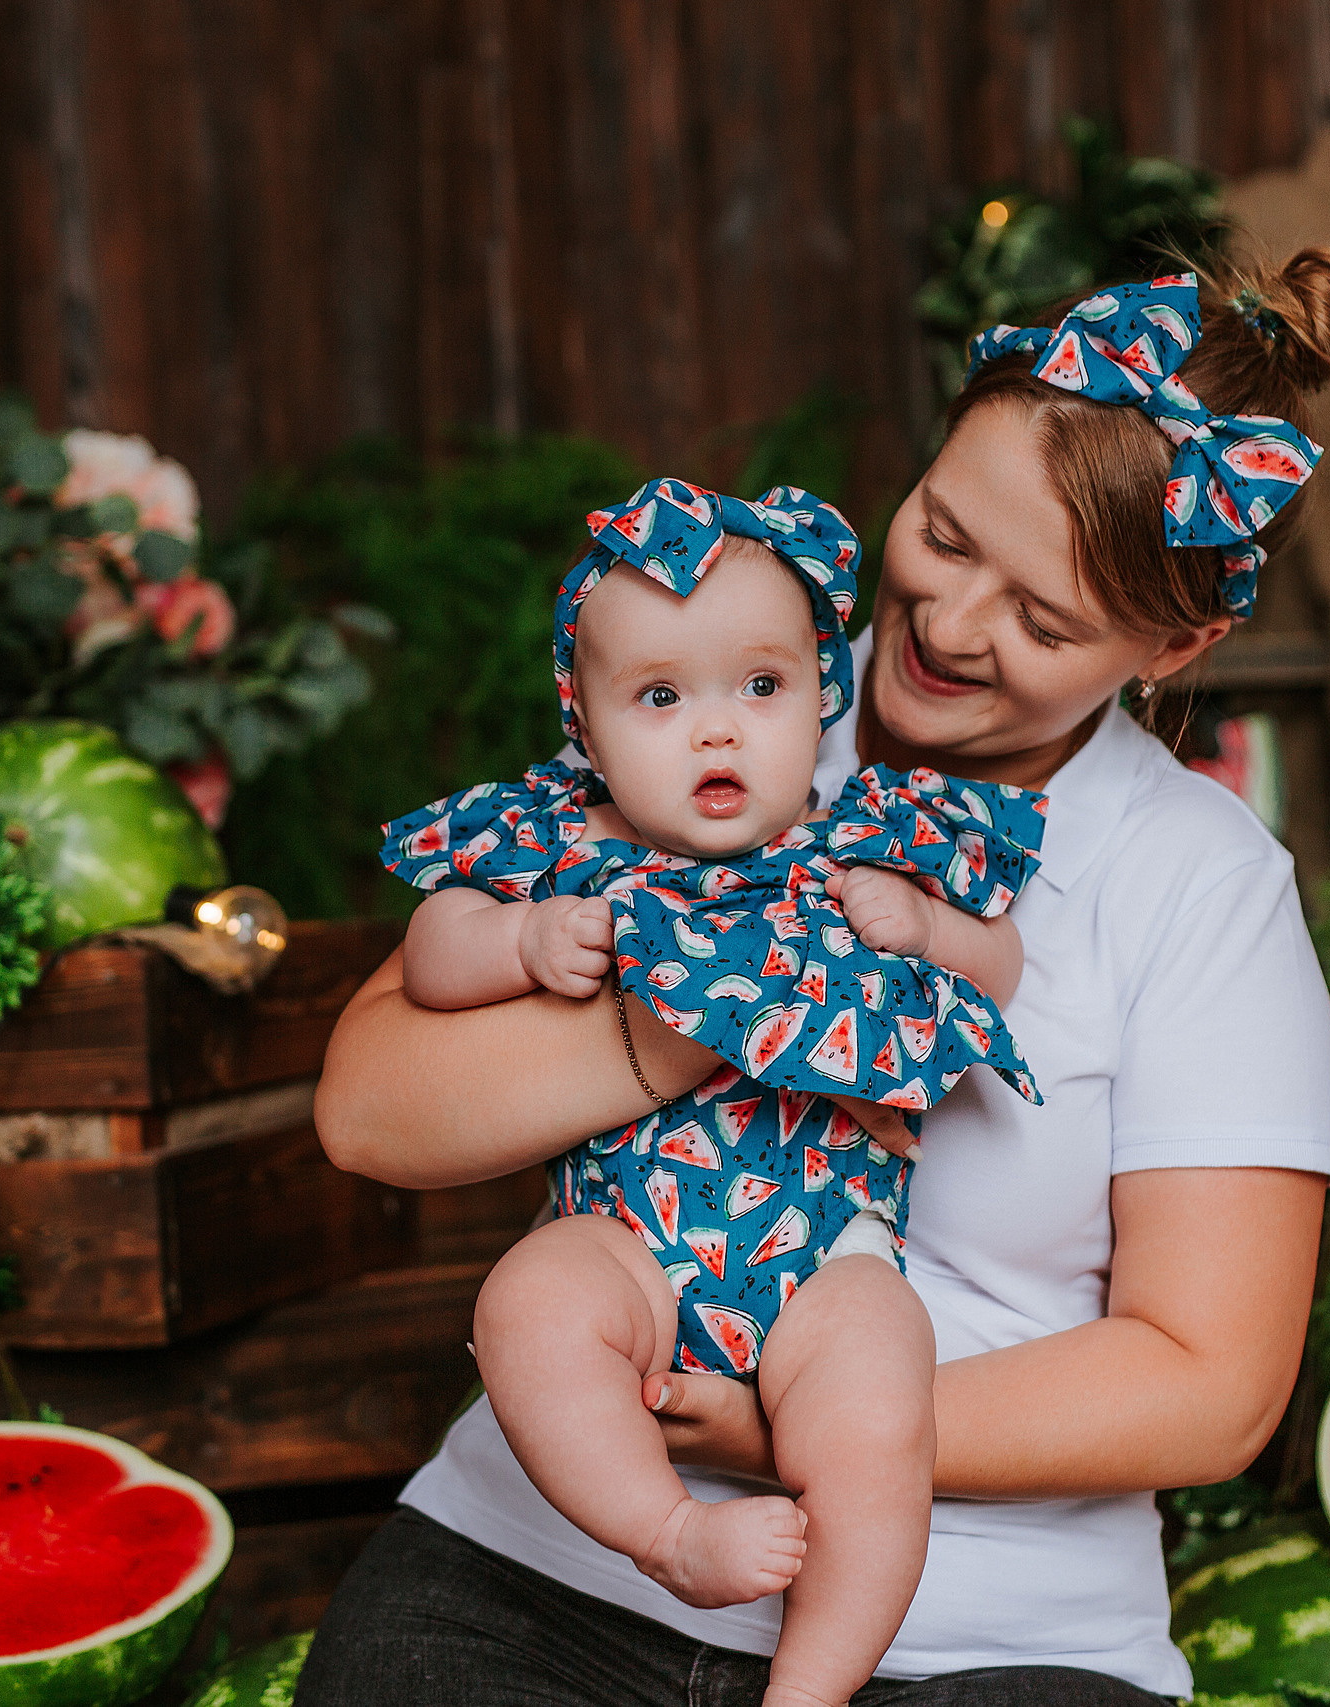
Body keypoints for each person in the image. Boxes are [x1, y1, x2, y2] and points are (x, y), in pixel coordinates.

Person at [302, 252, 1330, 1707]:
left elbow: (1210, 1375)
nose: (950, 621)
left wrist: (790, 1427)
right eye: (942, 529)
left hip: (991, 1635)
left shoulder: (1199, 883)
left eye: (1045, 623)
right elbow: (369, 1110)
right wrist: (713, 1018)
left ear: (1176, 646)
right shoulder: (712, 693)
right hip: (551, 1563)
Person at [378, 476, 1049, 1707]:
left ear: (819, 693)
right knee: (528, 1305)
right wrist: (521, 948)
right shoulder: (567, 851)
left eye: (760, 686)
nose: (718, 731)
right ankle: (666, 1534)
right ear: (584, 725)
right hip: (626, 1242)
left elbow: (1003, 962)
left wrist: (923, 928)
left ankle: (812, 1688)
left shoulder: (867, 838)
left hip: (827, 1254)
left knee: (877, 1409)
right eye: (660, 697)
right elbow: (430, 951)